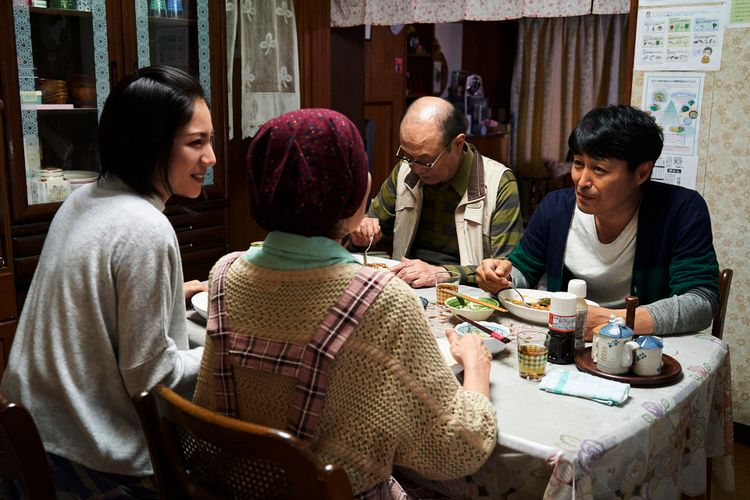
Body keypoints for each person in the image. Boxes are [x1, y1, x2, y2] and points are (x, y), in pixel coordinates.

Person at [193, 108, 496, 497]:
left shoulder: (224, 275)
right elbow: (456, 450)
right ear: (353, 191)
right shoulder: (383, 299)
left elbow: (209, 412)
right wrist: (476, 364)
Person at [0, 66, 213, 498]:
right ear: (152, 144)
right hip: (92, 462)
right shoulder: (145, 227)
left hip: (26, 441)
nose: (210, 159)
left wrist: (176, 294)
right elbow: (153, 380)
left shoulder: (84, 198)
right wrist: (224, 343)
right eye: (197, 143)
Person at [476, 104, 719, 337]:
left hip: (643, 346)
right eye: (578, 164)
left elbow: (700, 301)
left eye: (599, 169)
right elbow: (523, 271)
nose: (582, 181)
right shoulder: (555, 207)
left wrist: (613, 321)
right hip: (566, 339)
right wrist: (501, 277)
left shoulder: (681, 210)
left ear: (642, 173)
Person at [351, 96, 523, 288]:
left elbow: (505, 272)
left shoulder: (499, 183)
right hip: (407, 288)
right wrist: (361, 235)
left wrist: (443, 274)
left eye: (425, 161)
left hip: (468, 298)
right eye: (407, 156)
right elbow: (366, 234)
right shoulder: (405, 171)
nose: (415, 169)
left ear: (457, 144)